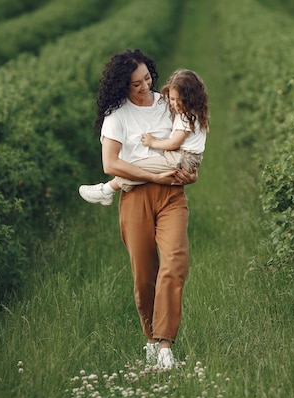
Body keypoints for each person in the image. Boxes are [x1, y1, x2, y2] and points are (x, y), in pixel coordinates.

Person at [80, 49, 199, 369]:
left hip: (173, 195)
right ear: (122, 86)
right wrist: (150, 174)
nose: (145, 86)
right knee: (144, 274)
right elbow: (110, 163)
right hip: (136, 199)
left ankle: (164, 345)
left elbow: (190, 138)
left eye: (147, 78)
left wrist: (191, 169)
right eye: (135, 84)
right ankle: (149, 338)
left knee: (174, 263)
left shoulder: (167, 104)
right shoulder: (116, 116)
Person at [78, 68, 209, 205]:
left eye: (181, 100)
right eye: (172, 99)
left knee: (137, 167)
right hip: (184, 158)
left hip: (181, 158)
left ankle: (106, 190)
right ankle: (106, 191)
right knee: (139, 168)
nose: (175, 104)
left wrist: (153, 142)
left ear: (192, 98)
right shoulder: (193, 112)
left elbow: (173, 144)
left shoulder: (187, 117)